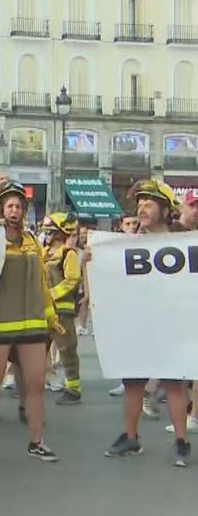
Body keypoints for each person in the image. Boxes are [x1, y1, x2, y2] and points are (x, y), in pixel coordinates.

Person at [0, 179, 60, 465]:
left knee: (35, 385)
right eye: (9, 205)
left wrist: (51, 315)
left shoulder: (33, 240)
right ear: (1, 208)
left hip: (32, 322)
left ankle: (36, 442)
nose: (15, 210)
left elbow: (42, 283)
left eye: (19, 206)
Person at [105, 180, 192, 466]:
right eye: (139, 204)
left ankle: (181, 442)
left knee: (174, 382)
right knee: (133, 382)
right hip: (139, 323)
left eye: (149, 204)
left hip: (171, 322)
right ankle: (131, 437)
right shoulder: (127, 244)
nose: (142, 209)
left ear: (165, 210)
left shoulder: (184, 242)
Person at [41, 213, 83, 405]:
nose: (46, 234)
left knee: (67, 349)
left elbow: (72, 280)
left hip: (62, 311)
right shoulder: (44, 252)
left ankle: (73, 388)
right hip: (42, 310)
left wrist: (51, 294)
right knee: (38, 349)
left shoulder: (69, 253)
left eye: (50, 231)